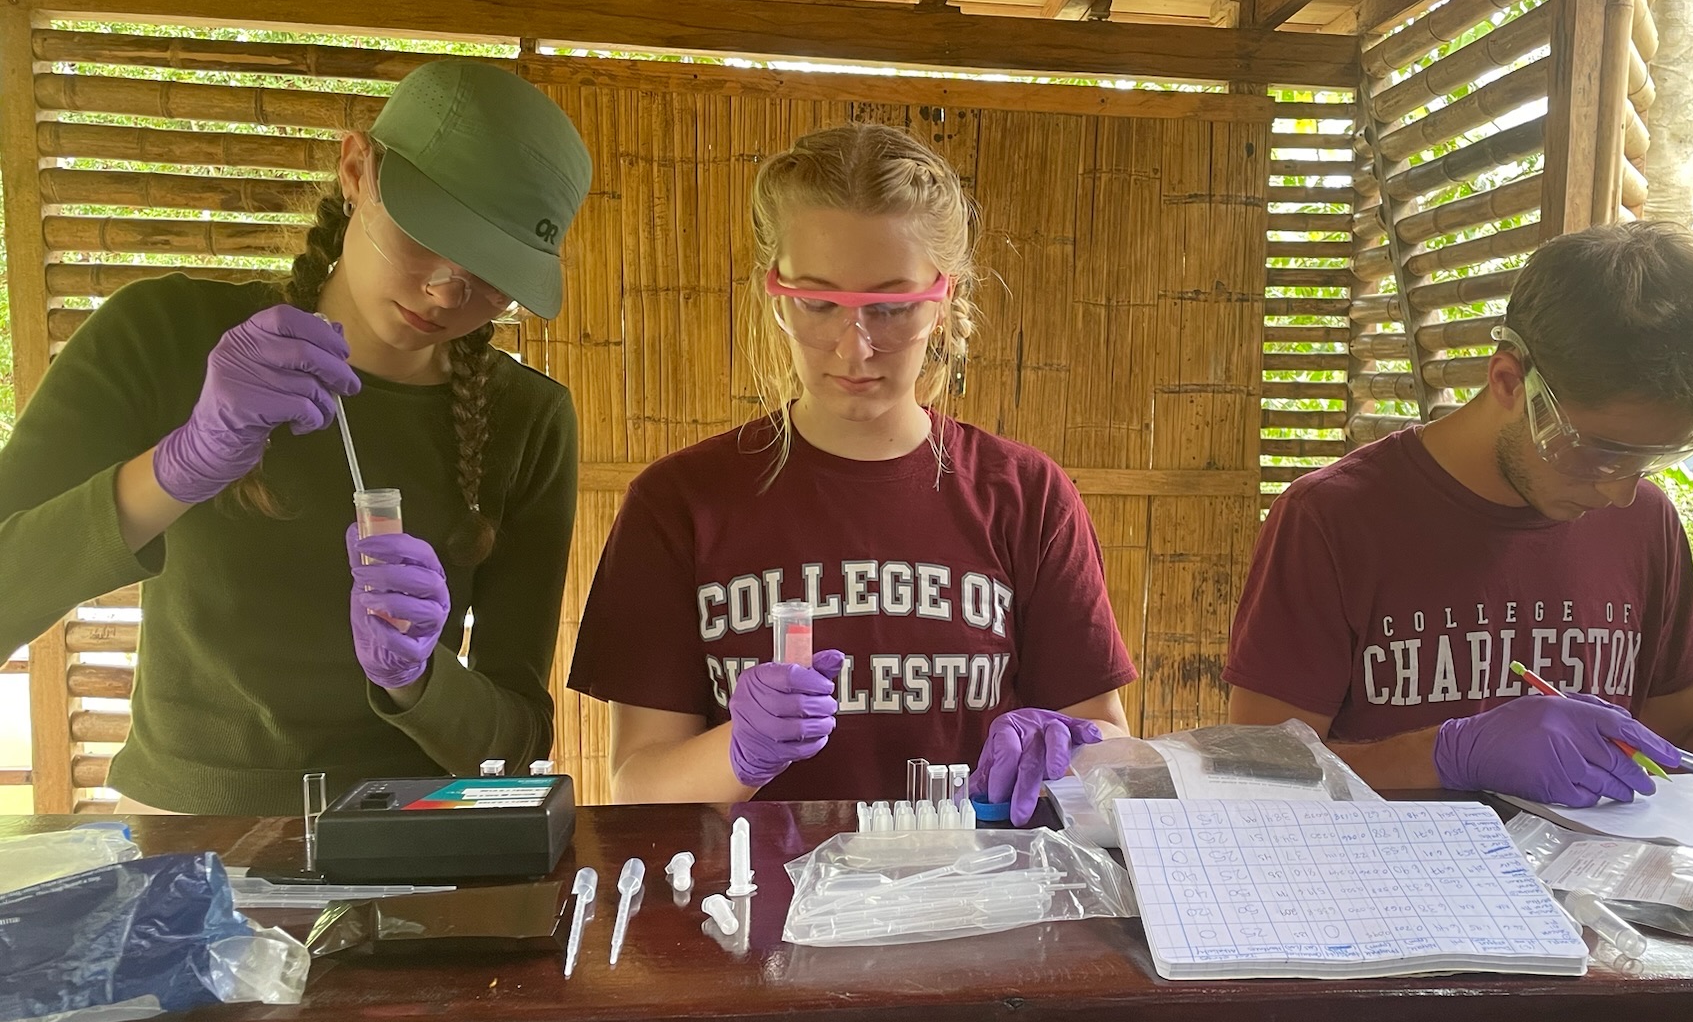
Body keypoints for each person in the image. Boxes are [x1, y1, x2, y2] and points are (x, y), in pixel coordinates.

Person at [0, 60, 590, 815]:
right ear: (356, 169)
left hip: (413, 840)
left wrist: (418, 679)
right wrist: (178, 468)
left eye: (492, 273)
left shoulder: (529, 420)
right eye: (429, 234)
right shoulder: (161, 337)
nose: (448, 289)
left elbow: (513, 746)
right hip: (184, 838)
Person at [568, 123, 1134, 818]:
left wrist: (1071, 748)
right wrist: (738, 753)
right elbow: (638, 784)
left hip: (974, 904)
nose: (854, 346)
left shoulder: (1027, 497)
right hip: (745, 914)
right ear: (775, 293)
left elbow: (1109, 741)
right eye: (817, 302)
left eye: (891, 307)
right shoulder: (679, 503)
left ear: (944, 298)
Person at [1225, 222, 1693, 807]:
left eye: (1651, 460)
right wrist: (1450, 754)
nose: (1619, 493)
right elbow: (1259, 770)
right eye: (1601, 453)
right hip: (1386, 888)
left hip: (1596, 888)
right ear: (1508, 380)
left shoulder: (1645, 522)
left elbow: (1685, 724)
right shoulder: (1332, 520)